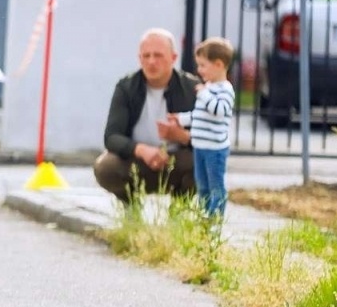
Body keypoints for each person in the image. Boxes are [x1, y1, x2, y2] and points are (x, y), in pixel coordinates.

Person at [94, 28, 199, 200]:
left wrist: (181, 136)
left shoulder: (191, 88)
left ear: (173, 58)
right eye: (146, 56)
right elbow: (111, 137)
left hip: (175, 161)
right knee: (105, 167)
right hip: (136, 160)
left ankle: (179, 211)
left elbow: (212, 137)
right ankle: (130, 207)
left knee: (204, 163)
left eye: (158, 56)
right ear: (139, 58)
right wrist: (141, 150)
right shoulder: (126, 87)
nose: (151, 62)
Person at [173, 37, 236, 218]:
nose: (199, 70)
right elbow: (199, 115)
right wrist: (179, 119)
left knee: (216, 185)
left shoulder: (225, 89)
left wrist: (205, 94)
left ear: (218, 64)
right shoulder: (208, 88)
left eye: (202, 65)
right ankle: (205, 214)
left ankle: (215, 217)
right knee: (202, 185)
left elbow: (219, 110)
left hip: (215, 150)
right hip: (200, 147)